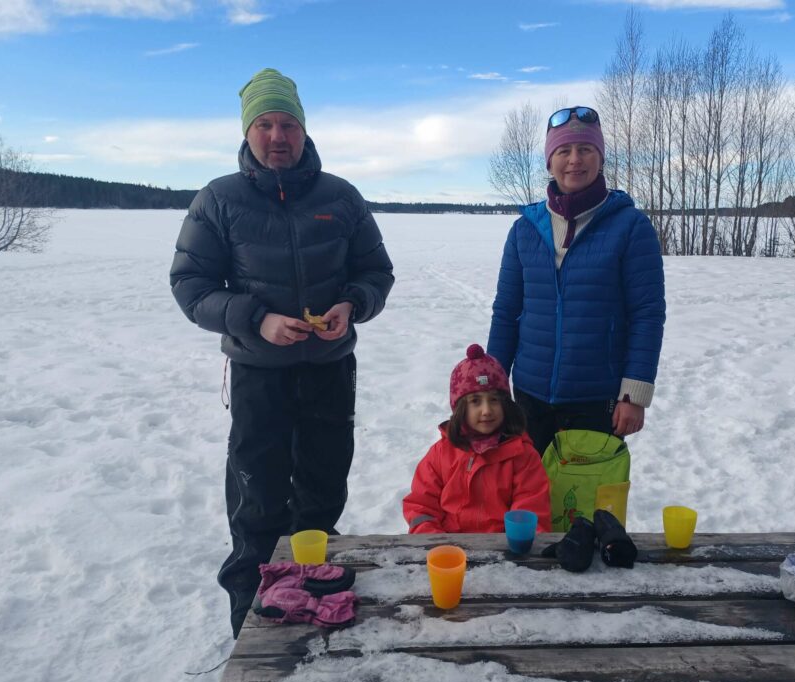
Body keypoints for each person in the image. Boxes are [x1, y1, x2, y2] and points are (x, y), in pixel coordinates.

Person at [170, 68, 394, 637]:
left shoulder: (340, 197)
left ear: (303, 130)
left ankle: (311, 612)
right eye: (265, 124)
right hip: (257, 375)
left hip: (328, 371)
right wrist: (256, 319)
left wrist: (352, 304)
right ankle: (249, 628)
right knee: (257, 505)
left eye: (287, 123)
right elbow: (191, 287)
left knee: (321, 493)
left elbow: (375, 271)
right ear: (248, 132)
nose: (277, 135)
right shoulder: (218, 200)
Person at [487, 106, 665, 455]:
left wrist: (634, 394)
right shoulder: (525, 230)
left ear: (600, 158)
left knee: (586, 506)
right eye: (563, 151)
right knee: (526, 503)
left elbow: (647, 314)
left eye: (585, 150)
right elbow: (506, 312)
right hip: (529, 397)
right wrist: (493, 385)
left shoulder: (630, 227)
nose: (574, 160)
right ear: (549, 161)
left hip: (598, 399)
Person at [403, 344, 551, 534]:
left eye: (494, 400)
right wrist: (435, 543)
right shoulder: (440, 453)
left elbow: (531, 510)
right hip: (449, 551)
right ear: (460, 409)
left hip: (505, 552)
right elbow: (421, 506)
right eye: (475, 401)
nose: (487, 410)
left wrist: (517, 548)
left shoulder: (524, 456)